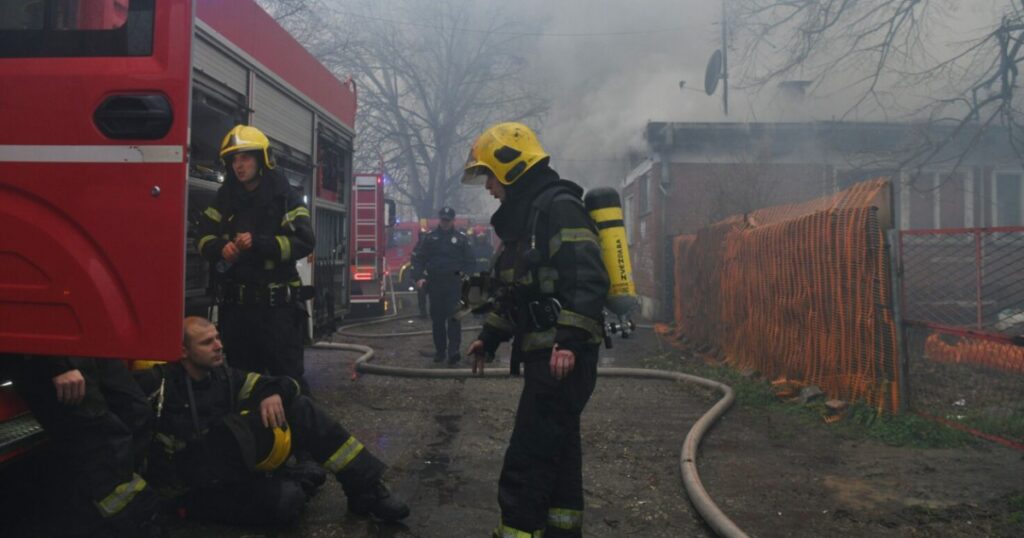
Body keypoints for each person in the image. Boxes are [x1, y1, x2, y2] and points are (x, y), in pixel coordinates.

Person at [462, 122, 610, 538]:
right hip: (548, 357)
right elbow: (517, 294)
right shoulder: (525, 220)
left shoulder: (557, 207)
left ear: (511, 168)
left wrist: (570, 341)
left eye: (489, 174)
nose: (488, 186)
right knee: (558, 453)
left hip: (561, 359)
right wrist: (489, 338)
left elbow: (587, 277)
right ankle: (563, 530)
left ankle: (518, 530)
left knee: (527, 459)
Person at [133, 317, 409, 526]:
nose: (219, 346)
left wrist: (273, 393)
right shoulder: (158, 385)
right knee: (286, 503)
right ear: (182, 352)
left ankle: (366, 489)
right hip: (191, 482)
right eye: (207, 343)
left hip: (227, 469)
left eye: (217, 338)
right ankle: (296, 480)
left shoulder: (224, 377)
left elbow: (284, 384)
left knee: (299, 407)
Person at [195, 125, 315, 392]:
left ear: (262, 159)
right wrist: (220, 248)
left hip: (278, 314)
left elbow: (304, 241)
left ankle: (297, 430)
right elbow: (201, 237)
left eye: (246, 158)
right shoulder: (225, 198)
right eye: (234, 160)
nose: (239, 166)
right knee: (242, 384)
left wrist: (259, 243)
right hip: (237, 313)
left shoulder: (284, 197)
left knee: (289, 384)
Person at [2, 355, 162, 537]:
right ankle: (130, 525)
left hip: (86, 342)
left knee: (136, 411)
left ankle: (122, 511)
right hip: (45, 349)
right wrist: (57, 363)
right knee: (102, 442)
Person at [409, 207, 474, 365]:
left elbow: (470, 262)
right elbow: (418, 259)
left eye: (448, 220)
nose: (445, 223)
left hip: (454, 285)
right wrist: (419, 277)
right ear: (440, 219)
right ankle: (440, 351)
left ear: (453, 220)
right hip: (435, 284)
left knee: (454, 319)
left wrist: (465, 278)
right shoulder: (430, 239)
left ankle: (453, 352)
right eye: (443, 220)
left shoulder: (461, 239)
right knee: (437, 321)